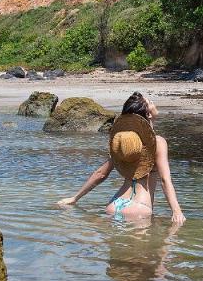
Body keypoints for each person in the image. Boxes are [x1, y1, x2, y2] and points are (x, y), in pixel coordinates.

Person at [58, 92, 186, 225]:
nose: (154, 103)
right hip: (139, 207)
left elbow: (101, 174)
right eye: (151, 102)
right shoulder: (158, 142)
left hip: (115, 204)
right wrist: (176, 211)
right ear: (148, 114)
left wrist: (75, 198)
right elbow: (165, 180)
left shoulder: (127, 142)